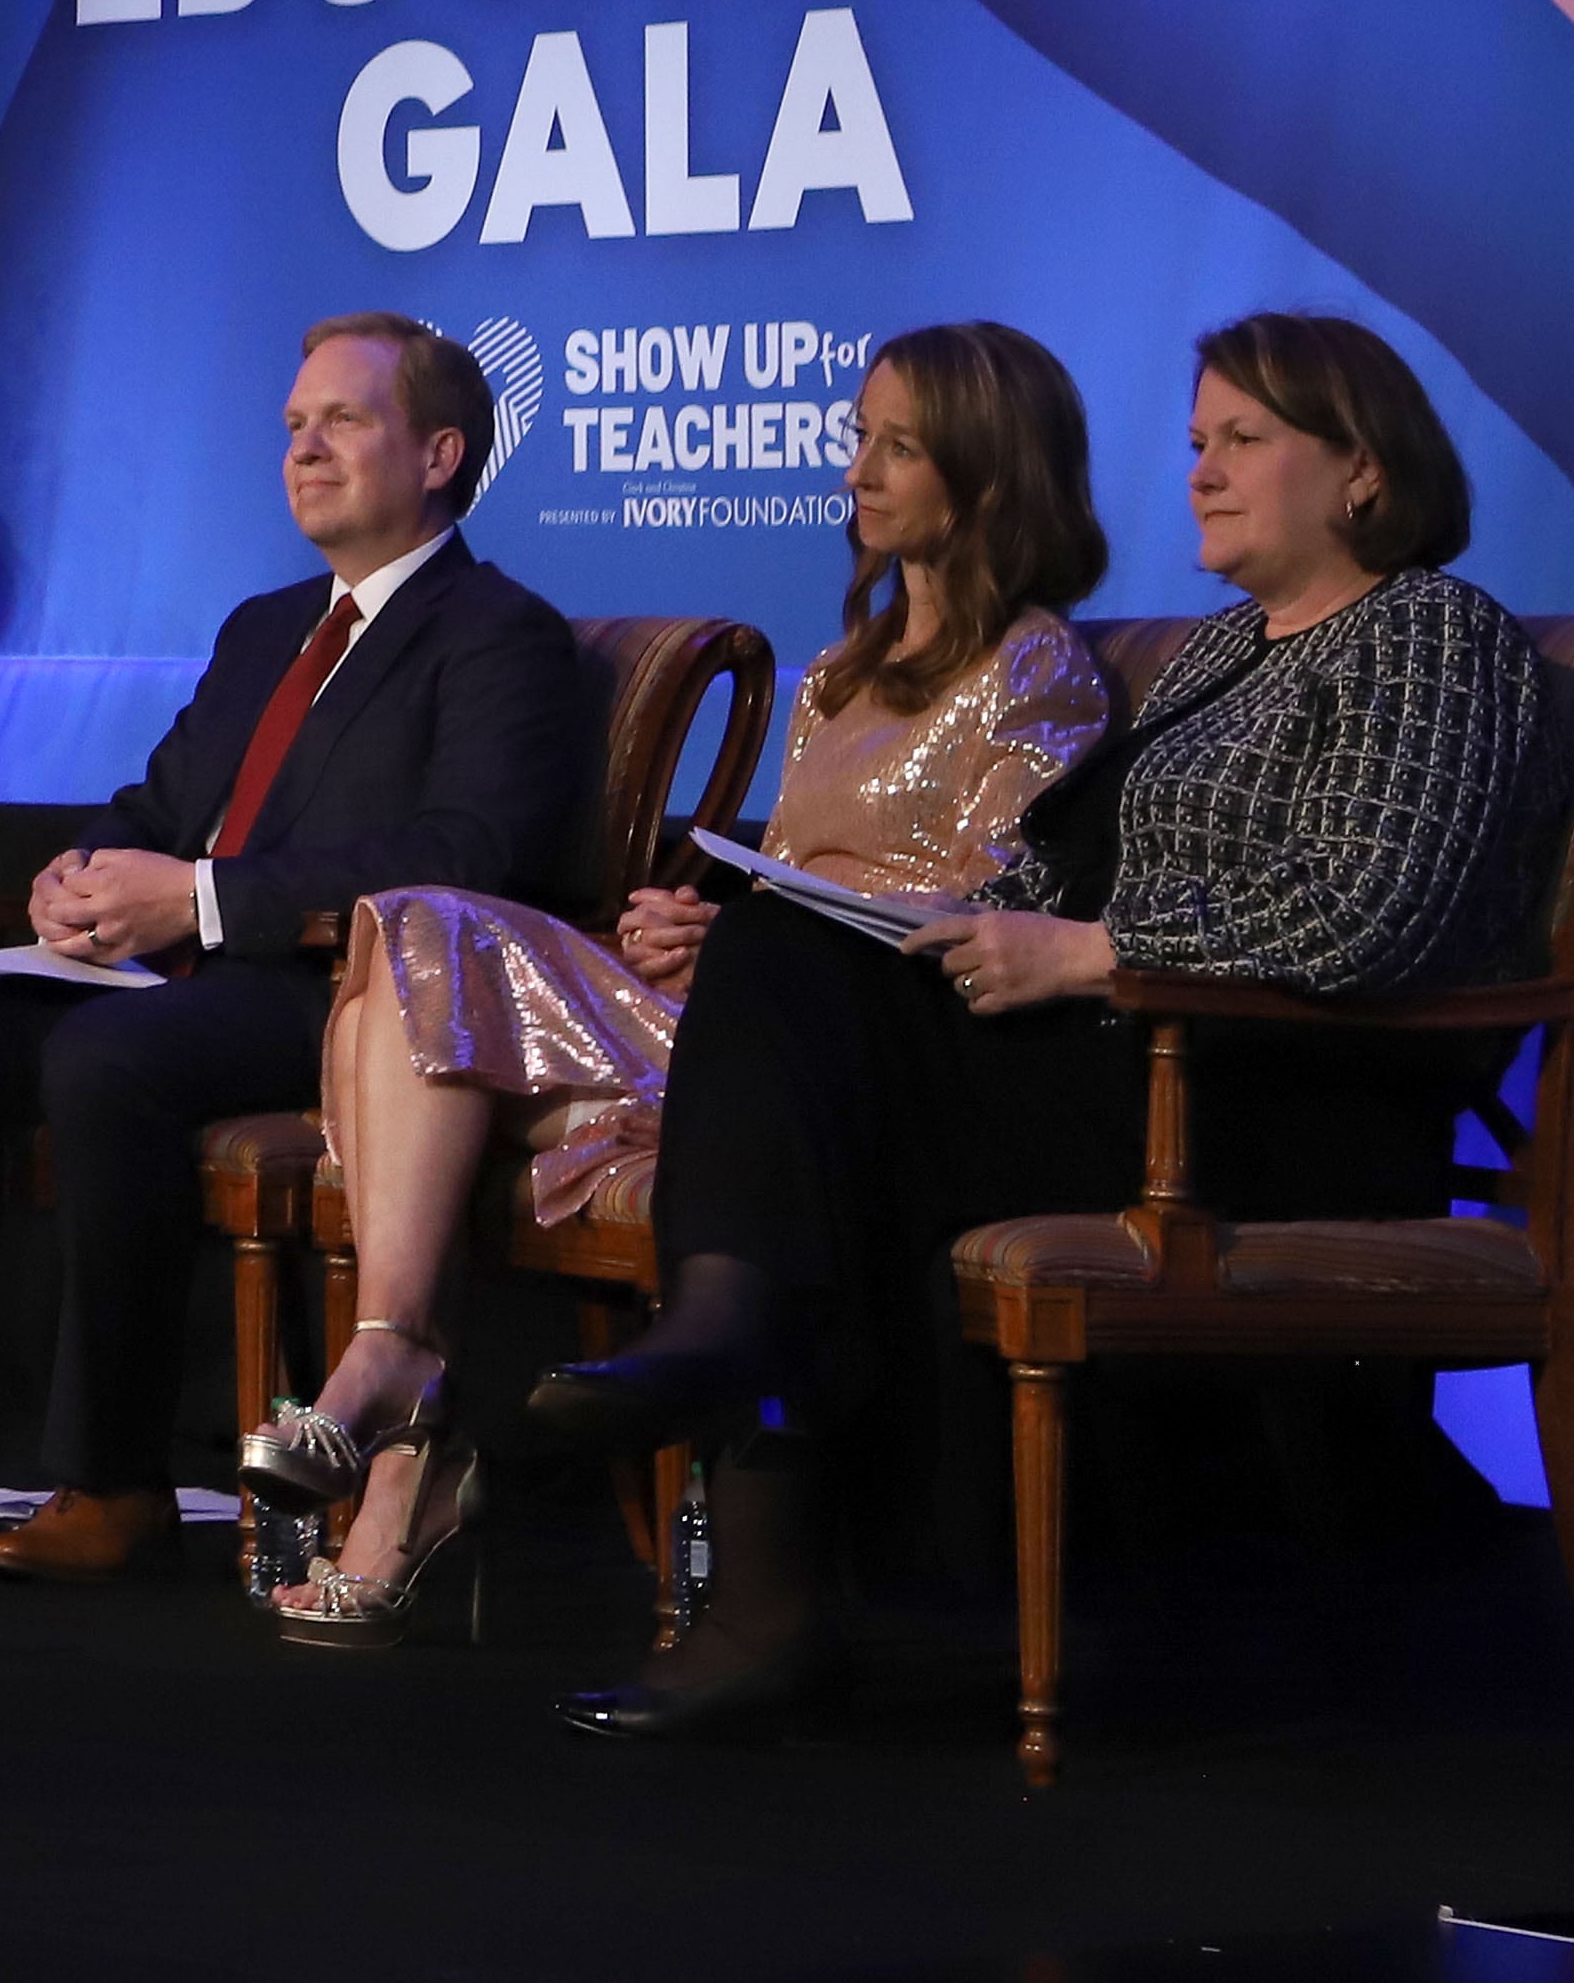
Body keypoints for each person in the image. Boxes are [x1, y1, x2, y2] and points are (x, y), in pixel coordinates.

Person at [526, 311, 1561, 1740]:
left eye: (1245, 440)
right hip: (1138, 1065)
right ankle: (737, 1405)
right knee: (786, 956)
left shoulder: (1432, 635)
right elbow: (1056, 870)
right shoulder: (1221, 653)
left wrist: (1095, 950)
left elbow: (1368, 911)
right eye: (1198, 440)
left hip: (1274, 1100)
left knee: (813, 1075)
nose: (1201, 470)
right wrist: (921, 926)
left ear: (1366, 473)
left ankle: (755, 1530)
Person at [255, 323, 1110, 1646]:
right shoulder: (844, 669)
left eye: (898, 445)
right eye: (858, 439)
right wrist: (699, 915)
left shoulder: (1038, 665)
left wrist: (768, 942)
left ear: (989, 475)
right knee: (410, 930)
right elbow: (801, 873)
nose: (859, 474)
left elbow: (995, 904)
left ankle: (399, 1394)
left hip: (854, 1047)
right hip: (743, 1008)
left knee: (419, 994)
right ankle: (399, 1377)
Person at [0, 315, 595, 1583]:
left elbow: (465, 856)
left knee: (104, 1059)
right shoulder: (266, 627)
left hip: (339, 998)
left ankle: (112, 1482)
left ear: (442, 453)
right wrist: (78, 874)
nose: (304, 448)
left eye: (344, 421)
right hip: (176, 974)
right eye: (294, 426)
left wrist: (196, 899)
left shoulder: (497, 633)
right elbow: (165, 799)